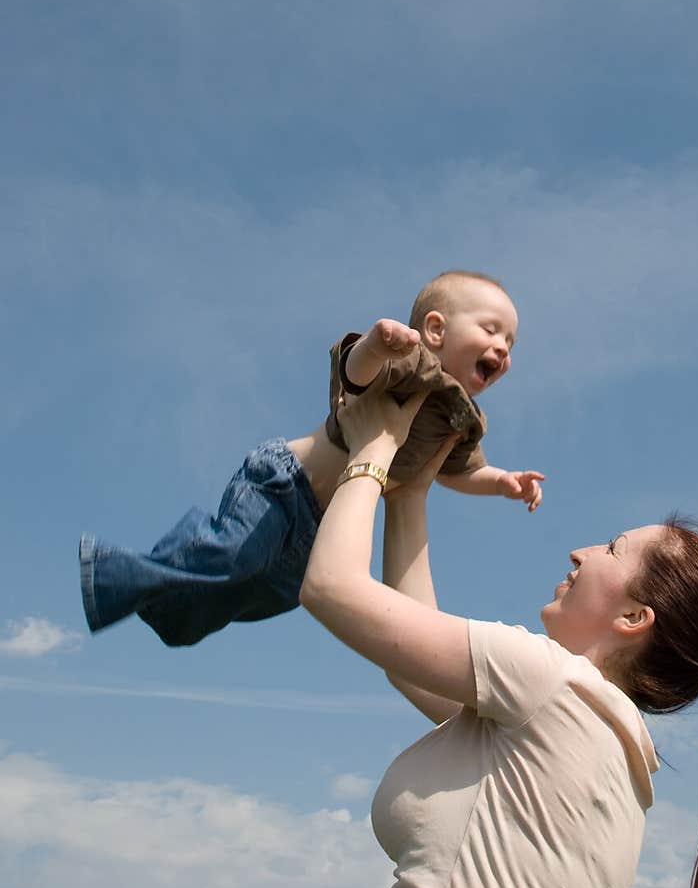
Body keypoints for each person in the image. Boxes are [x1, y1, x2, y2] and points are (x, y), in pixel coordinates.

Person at [299, 383, 698, 888]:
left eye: (612, 549)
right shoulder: (612, 756)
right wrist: (412, 491)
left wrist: (374, 445)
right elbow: (409, 659)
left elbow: (331, 586)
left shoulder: (550, 681)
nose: (582, 551)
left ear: (634, 618)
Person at [79, 269, 544, 647]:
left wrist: (502, 481)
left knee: (273, 594)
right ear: (437, 329)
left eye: (511, 343)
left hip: (323, 523)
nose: (502, 348)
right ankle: (108, 573)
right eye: (490, 330)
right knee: (234, 557)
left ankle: (173, 618)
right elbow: (354, 375)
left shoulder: (463, 417)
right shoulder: (414, 364)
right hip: (284, 483)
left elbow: (459, 472)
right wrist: (374, 344)